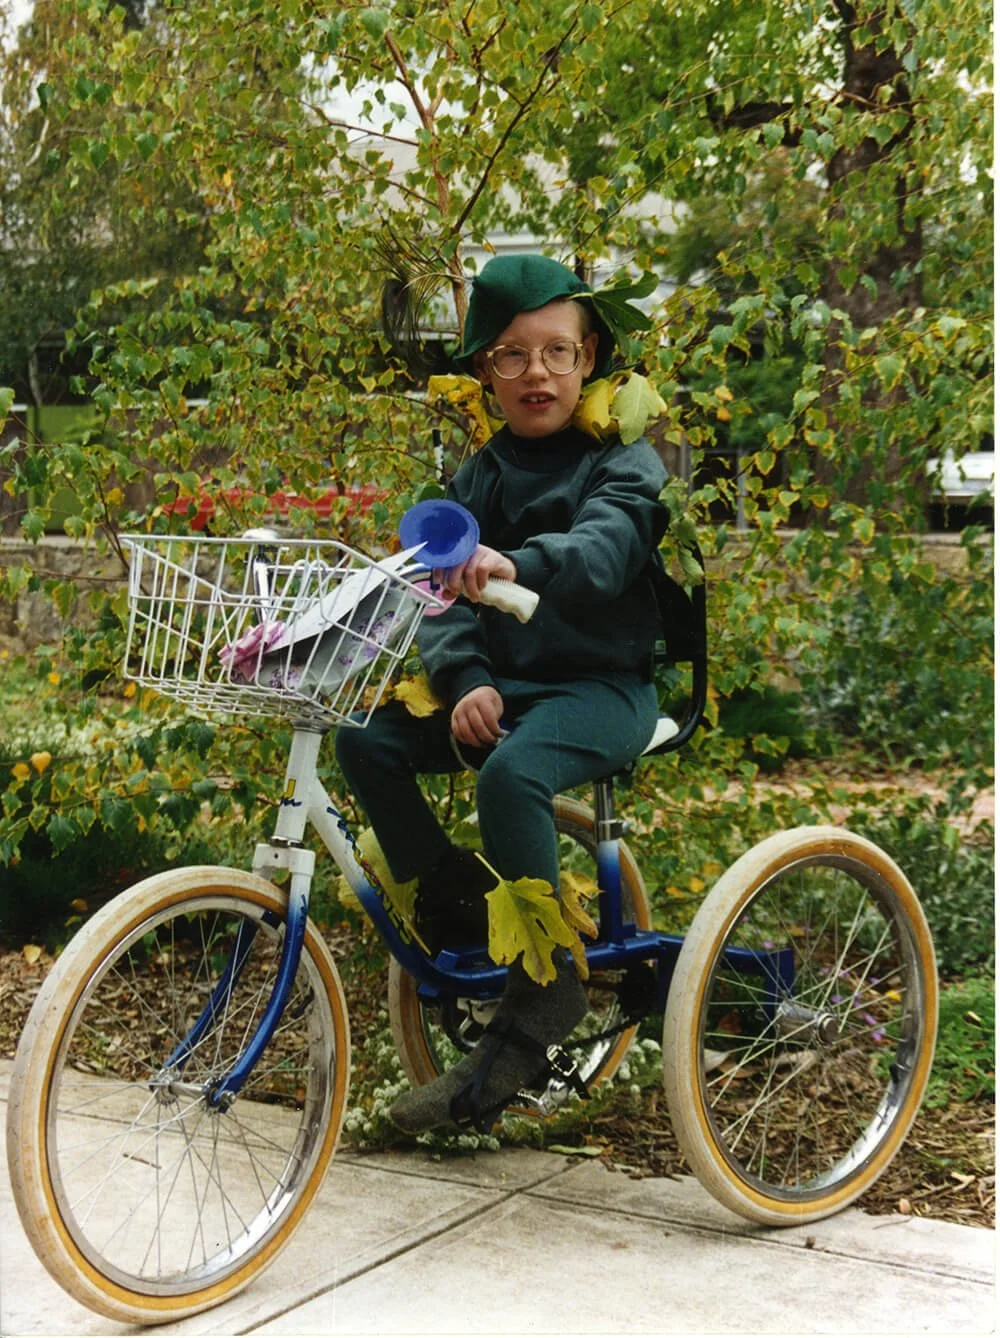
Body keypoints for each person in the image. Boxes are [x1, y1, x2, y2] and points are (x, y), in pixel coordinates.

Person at [336, 252, 668, 1133]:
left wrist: (518, 560)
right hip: (512, 690)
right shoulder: (475, 478)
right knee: (363, 739)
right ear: (486, 369)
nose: (537, 374)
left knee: (511, 776)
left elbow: (602, 553)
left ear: (589, 357)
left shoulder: (624, 464)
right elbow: (437, 596)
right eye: (513, 356)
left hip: (603, 689)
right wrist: (467, 679)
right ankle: (461, 908)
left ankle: (548, 982)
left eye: (557, 352)